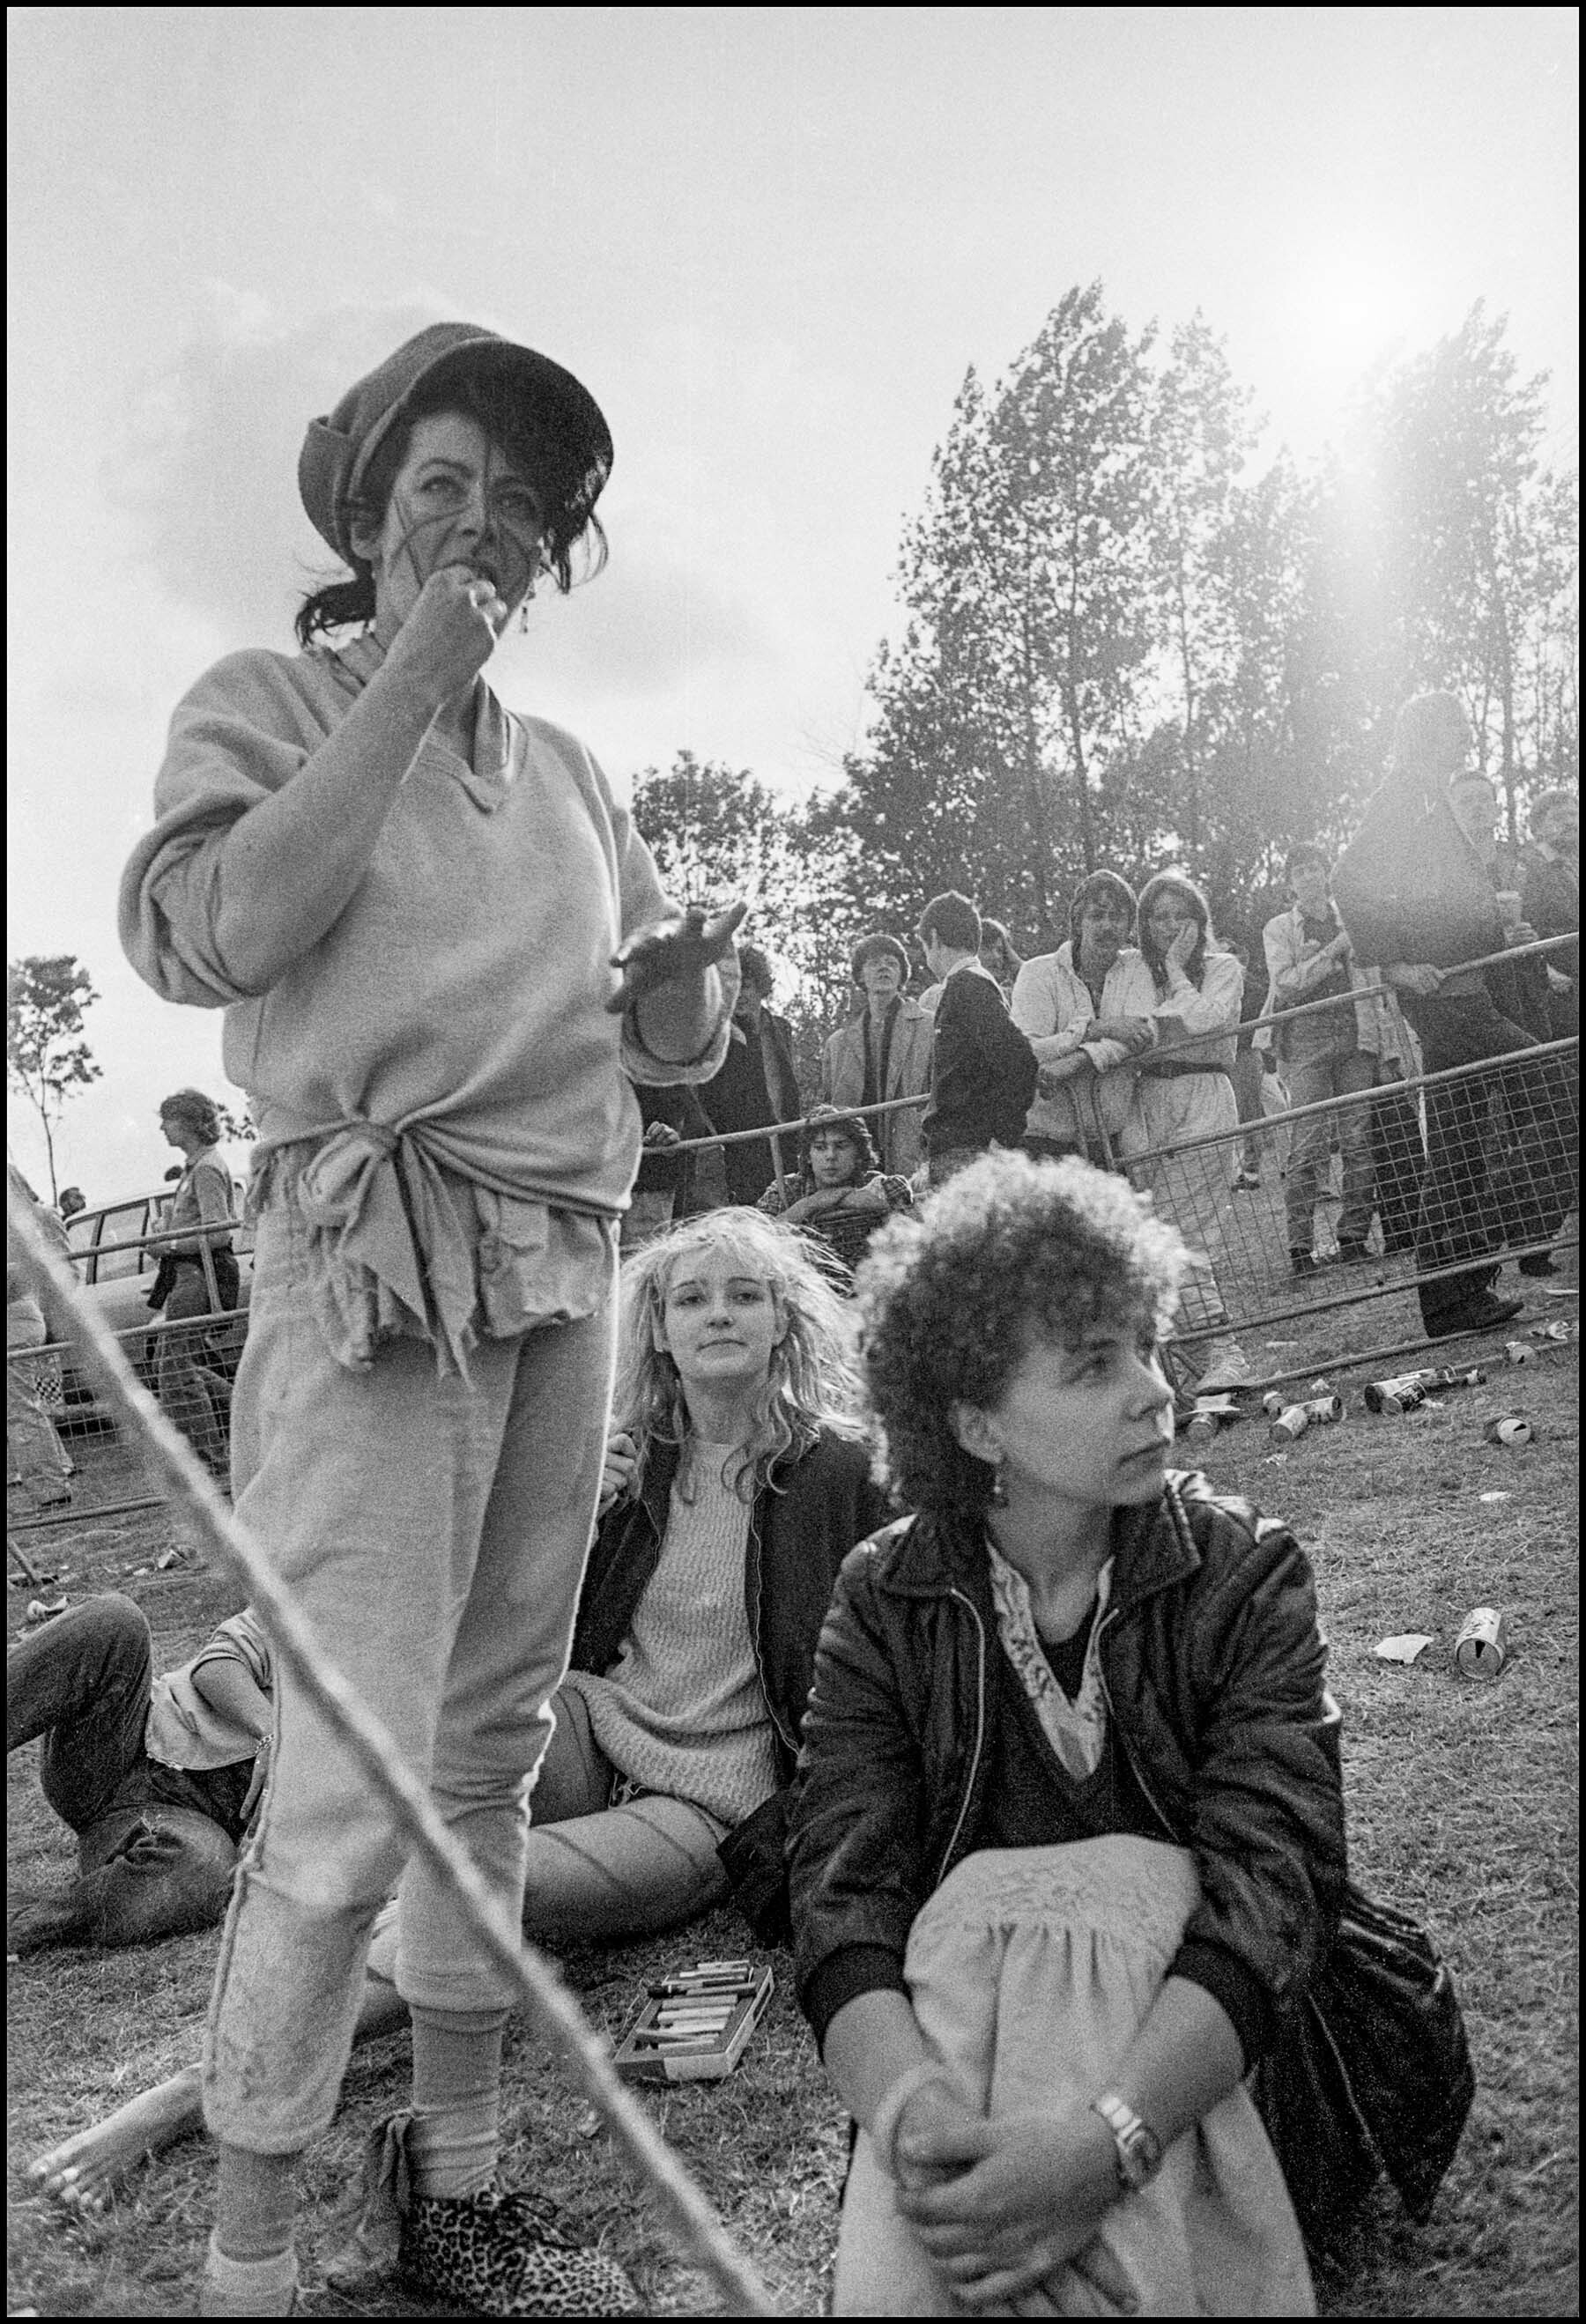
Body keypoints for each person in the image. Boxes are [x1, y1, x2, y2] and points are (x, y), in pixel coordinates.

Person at [116, 320, 742, 2319]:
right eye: (443, 487)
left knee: (487, 1751)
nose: (485, 529)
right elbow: (218, 928)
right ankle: (248, 2255)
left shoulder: (568, 772)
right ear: (371, 513)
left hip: (561, 1262)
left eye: (520, 506)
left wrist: (677, 993)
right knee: (347, 1769)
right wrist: (407, 678)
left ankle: (455, 2178)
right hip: (369, 1267)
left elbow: (674, 1039)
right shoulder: (268, 698)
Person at [29, 1205, 892, 2222]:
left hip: (705, 1796)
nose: (717, 1314)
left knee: (473, 1892)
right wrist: (567, 1510)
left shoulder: (841, 1470)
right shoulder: (622, 1458)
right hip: (588, 1722)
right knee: (428, 1787)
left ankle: (182, 2098)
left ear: (787, 1320)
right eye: (689, 1296)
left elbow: (895, 1641)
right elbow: (487, 1623)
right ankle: (243, 2046)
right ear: (653, 1327)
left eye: (746, 1294)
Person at [787, 1152, 1336, 2316]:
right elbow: (845, 1900)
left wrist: (1104, 2145)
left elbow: (1272, 1896)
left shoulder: (1243, 1573)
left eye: (1148, 1343)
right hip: (970, 2048)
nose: (1154, 1389)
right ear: (978, 1423)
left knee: (1132, 1890)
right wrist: (921, 2130)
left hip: (1214, 2067)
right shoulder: (885, 1597)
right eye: (1096, 1365)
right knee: (981, 1918)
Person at [1331, 694, 1554, 1337]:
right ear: (1428, 734)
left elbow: (1439, 895)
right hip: (1448, 1002)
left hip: (1469, 991)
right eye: (1455, 730)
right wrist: (1394, 964)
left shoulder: (1431, 795)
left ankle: (1453, 1300)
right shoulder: (1406, 793)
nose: (1466, 738)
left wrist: (1494, 929)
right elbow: (1353, 881)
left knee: (1456, 1149)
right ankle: (1504, 1240)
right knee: (1555, 1086)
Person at [7, 1595, 271, 1955]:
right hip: (122, 1737)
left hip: (169, 1825)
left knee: (204, 1866)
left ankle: (27, 1920)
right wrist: (273, 1733)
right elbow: (219, 1663)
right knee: (115, 1622)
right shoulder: (326, 1608)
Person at [1110, 874, 1246, 1341]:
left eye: (1180, 917)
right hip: (1144, 1101)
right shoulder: (1132, 971)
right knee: (1151, 1230)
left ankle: (1222, 1348)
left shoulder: (1223, 966)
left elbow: (1207, 1020)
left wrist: (1175, 969)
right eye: (1159, 917)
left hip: (1202, 1096)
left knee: (1187, 1228)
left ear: (1199, 921)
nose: (1170, 926)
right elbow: (1128, 1027)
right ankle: (1185, 1351)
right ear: (1145, 924)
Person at [1260, 846, 1388, 1276]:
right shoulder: (1279, 928)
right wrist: (1333, 951)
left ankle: (1352, 1236)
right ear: (1290, 882)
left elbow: (1373, 977)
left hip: (1356, 1033)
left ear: (1326, 873)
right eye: (1300, 871)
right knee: (1308, 1142)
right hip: (1306, 1040)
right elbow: (1287, 984)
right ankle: (1300, 1246)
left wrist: (1385, 1044)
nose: (1310, 877)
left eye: (1315, 868)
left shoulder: (1348, 916)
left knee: (1358, 1138)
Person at [1010, 871, 1152, 1166]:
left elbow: (1138, 1036)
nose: (1107, 926)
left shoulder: (1137, 967)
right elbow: (1026, 1051)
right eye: (1097, 915)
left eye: (1117, 917)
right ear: (1077, 921)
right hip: (1042, 1138)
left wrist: (1072, 1063)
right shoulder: (1038, 973)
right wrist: (1097, 1028)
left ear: (1129, 925)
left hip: (1108, 1142)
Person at [916, 892, 1038, 1186]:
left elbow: (1020, 1059)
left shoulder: (967, 984)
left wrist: (1001, 1137)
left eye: (923, 946)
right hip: (963, 1150)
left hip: (968, 1153)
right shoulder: (973, 983)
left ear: (933, 937)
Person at [150, 1088, 240, 1481]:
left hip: (197, 1275)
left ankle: (215, 1455)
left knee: (174, 1369)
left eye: (169, 1119)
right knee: (174, 1364)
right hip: (185, 1274)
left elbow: (219, 1231)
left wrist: (166, 1243)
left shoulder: (205, 1169)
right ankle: (243, 1416)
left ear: (188, 1123)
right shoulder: (195, 1168)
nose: (162, 1127)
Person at [820, 934, 935, 1180]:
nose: (884, 968)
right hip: (855, 1161)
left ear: (902, 975)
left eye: (892, 963)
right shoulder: (838, 1043)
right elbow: (830, 1107)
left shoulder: (928, 1025)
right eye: (874, 963)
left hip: (912, 1153)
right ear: (860, 976)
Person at [758, 1103, 915, 1281]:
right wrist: (811, 1203)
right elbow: (755, 1235)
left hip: (868, 1287)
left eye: (840, 1146)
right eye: (820, 1147)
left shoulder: (874, 1183)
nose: (831, 1156)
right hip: (811, 1288)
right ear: (808, 1156)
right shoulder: (787, 1189)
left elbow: (901, 1198)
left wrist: (842, 1197)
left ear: (858, 1153)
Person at [698, 940, 803, 1204]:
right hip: (739, 1151)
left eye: (744, 985)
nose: (738, 994)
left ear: (760, 986)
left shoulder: (780, 1028)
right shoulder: (715, 1035)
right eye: (729, 987)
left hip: (785, 1143)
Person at [7, 1160, 74, 1513]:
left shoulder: (21, 1226)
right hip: (21, 1314)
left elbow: (19, 1276)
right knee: (22, 1406)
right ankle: (52, 1478)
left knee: (20, 1408)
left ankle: (50, 1487)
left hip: (15, 1318)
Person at [1520, 787, 1579, 1041]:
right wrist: (1547, 971)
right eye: (1558, 818)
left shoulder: (1573, 865)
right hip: (1557, 986)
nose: (1569, 823)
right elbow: (1521, 925)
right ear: (1538, 829)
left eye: (1573, 816)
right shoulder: (1527, 868)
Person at [977, 916, 1023, 1000]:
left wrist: (1018, 967)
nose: (996, 956)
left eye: (1000, 950)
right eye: (987, 949)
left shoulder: (1010, 992)